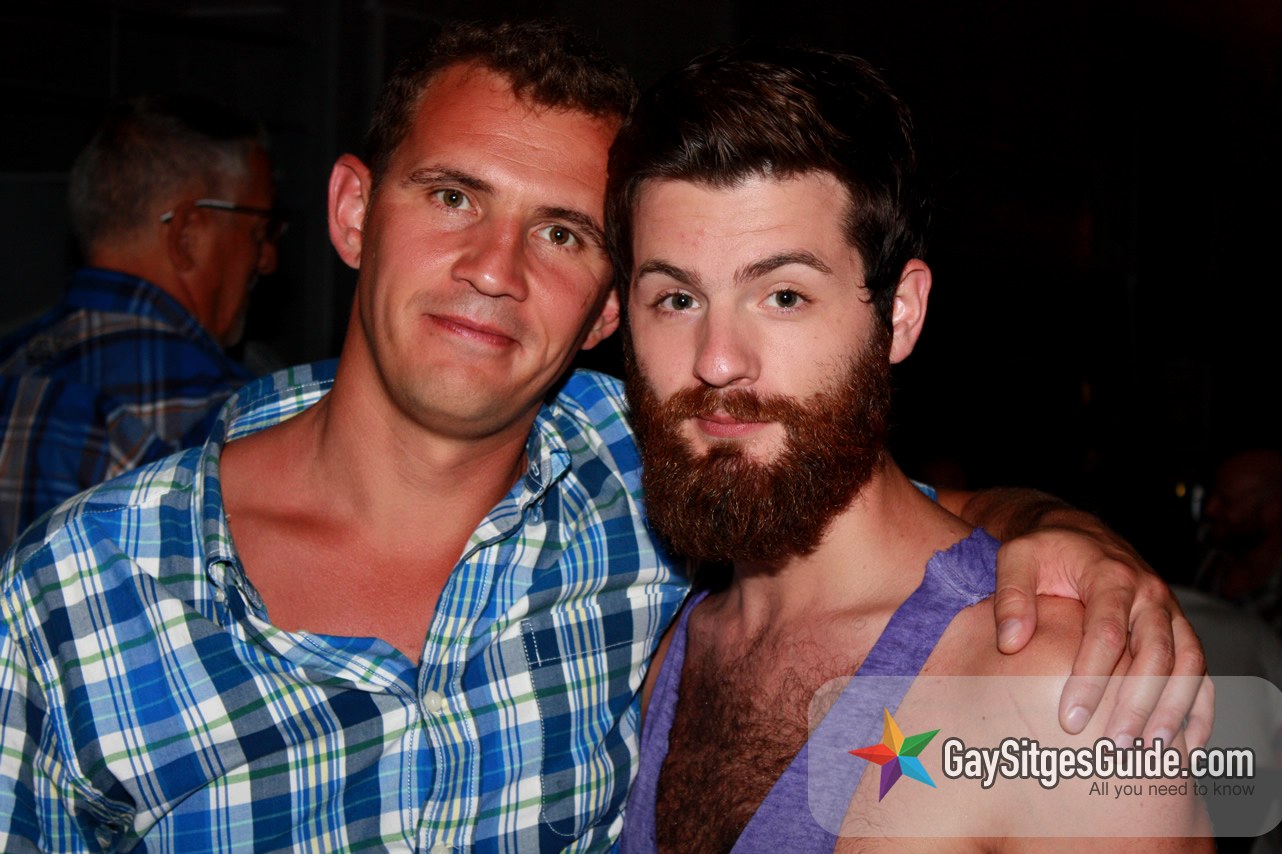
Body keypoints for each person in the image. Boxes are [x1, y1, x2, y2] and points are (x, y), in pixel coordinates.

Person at [0, 21, 1205, 851]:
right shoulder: (76, 594)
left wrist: (1064, 536)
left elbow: (906, 524)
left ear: (598, 311)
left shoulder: (1061, 691)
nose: (493, 268)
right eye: (453, 195)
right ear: (354, 209)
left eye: (564, 232)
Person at [608, 44, 1210, 849]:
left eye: (783, 295)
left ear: (900, 315)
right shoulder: (664, 653)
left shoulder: (1055, 689)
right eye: (677, 298)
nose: (717, 360)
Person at [0, 94, 281, 545]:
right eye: (260, 230)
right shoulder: (228, 417)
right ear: (187, 234)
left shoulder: (12, 368)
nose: (267, 258)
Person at [1195, 448, 1282, 632]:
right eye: (1212, 496)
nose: (1210, 509)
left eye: (1227, 501)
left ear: (1273, 509)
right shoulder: (1202, 556)